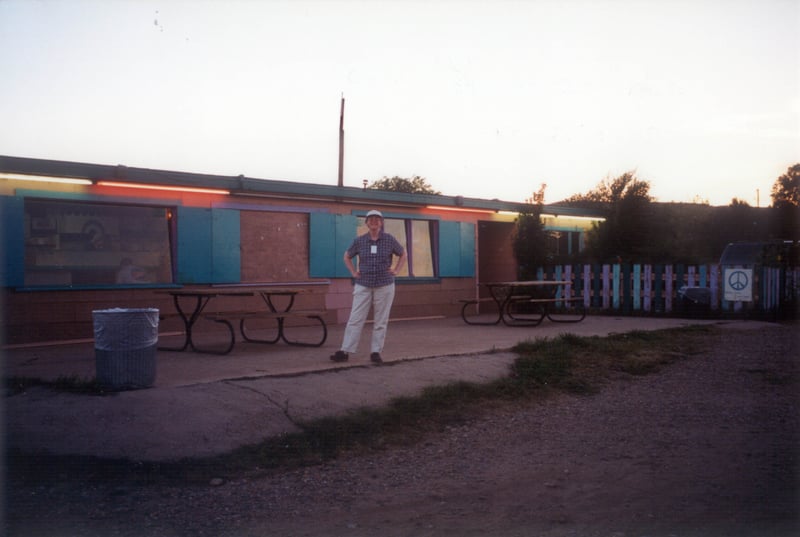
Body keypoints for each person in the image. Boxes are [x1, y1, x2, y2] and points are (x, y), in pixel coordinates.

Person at [330, 209, 407, 364]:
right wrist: (353, 272)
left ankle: (375, 352)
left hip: (384, 284)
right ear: (366, 223)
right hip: (363, 284)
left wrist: (396, 270)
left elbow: (403, 253)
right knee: (355, 318)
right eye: (370, 219)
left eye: (377, 219)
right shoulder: (359, 241)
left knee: (381, 320)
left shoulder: (389, 239)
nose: (374, 222)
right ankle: (345, 351)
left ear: (381, 222)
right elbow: (347, 256)